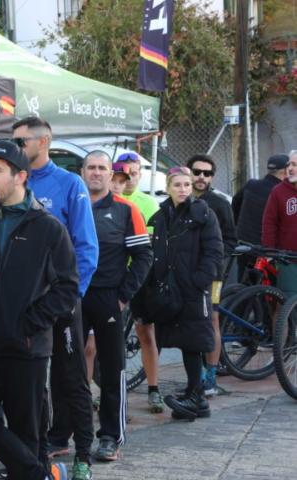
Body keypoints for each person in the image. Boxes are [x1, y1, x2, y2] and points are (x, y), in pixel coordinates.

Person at [0, 140, 75, 480]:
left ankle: (32, 471)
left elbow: (67, 288)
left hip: (27, 350)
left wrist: (28, 323)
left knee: (28, 433)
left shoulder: (48, 227)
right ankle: (40, 473)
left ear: (20, 176)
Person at [12, 117, 97, 474]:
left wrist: (69, 299)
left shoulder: (69, 183)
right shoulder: (15, 181)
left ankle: (84, 457)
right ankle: (37, 455)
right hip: (26, 307)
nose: (16, 147)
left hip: (61, 304)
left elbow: (87, 248)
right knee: (32, 383)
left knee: (71, 379)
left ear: (43, 141)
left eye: (21, 141)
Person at [80, 151, 153, 463]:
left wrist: (123, 296)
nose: (96, 173)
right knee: (67, 368)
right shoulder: (73, 206)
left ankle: (110, 436)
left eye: (102, 168)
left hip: (109, 298)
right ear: (82, 172)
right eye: (91, 167)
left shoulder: (126, 209)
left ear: (110, 174)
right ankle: (64, 432)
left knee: (112, 370)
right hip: (74, 298)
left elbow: (144, 256)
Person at [144, 167, 222, 420]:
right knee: (182, 340)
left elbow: (214, 251)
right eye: (177, 185)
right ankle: (193, 395)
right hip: (170, 290)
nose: (183, 189)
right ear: (168, 187)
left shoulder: (203, 214)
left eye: (186, 185)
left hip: (193, 289)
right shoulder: (161, 215)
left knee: (194, 341)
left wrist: (199, 280)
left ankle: (197, 395)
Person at [116, 151, 164, 413]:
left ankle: (153, 389)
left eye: (134, 173)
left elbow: (151, 247)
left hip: (139, 277)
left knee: (146, 332)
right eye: (125, 173)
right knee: (100, 339)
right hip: (113, 277)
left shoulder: (148, 203)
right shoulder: (108, 199)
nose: (130, 178)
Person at [187, 154, 237, 396]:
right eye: (197, 172)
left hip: (212, 274)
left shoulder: (219, 203)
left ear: (212, 177)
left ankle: (211, 377)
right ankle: (195, 376)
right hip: (185, 273)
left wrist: (211, 263)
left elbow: (230, 240)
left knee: (211, 319)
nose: (201, 177)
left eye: (206, 173)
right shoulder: (180, 198)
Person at [233, 154, 288, 280]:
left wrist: (238, 227)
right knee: (271, 283)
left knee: (242, 282)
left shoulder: (251, 185)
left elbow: (235, 204)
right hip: (266, 250)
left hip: (243, 243)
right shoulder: (279, 192)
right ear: (284, 172)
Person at [261, 150, 297, 298]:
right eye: (289, 164)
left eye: (295, 165)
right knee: (289, 301)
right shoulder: (278, 191)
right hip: (288, 260)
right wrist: (269, 251)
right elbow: (269, 223)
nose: (290, 168)